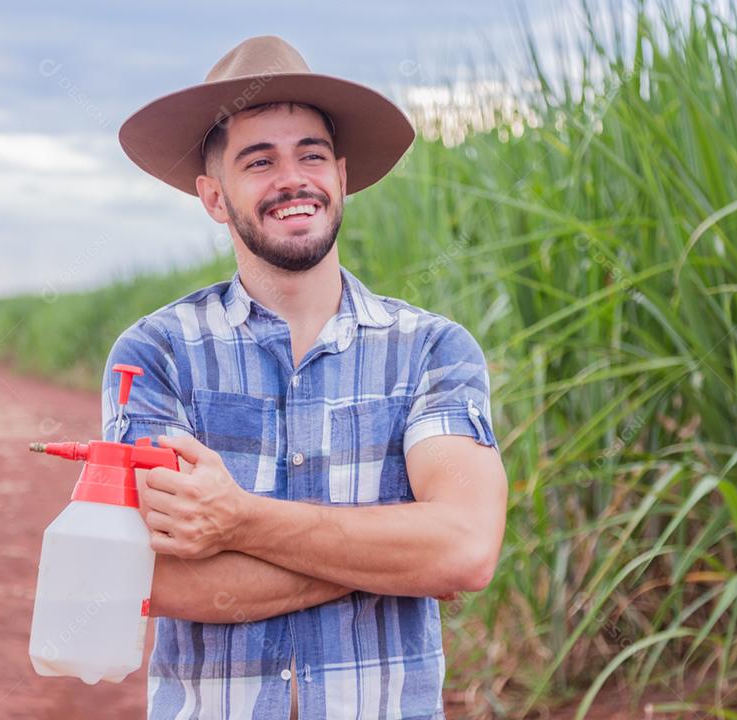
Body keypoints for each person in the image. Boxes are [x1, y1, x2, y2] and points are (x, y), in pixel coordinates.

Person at [104, 35, 507, 720]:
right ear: (213, 195)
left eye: (311, 155)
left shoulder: (432, 351)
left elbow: (464, 551)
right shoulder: (156, 354)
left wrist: (238, 521)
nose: (292, 179)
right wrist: (394, 558)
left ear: (341, 176)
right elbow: (149, 575)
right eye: (259, 161)